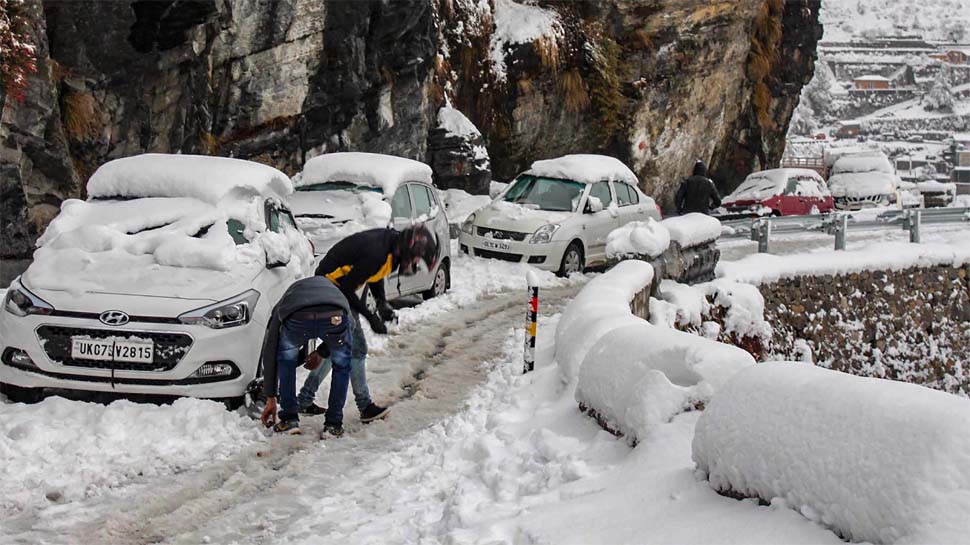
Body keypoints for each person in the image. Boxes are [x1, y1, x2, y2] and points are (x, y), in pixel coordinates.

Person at [296, 224, 440, 423]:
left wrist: (382, 304)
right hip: (329, 286)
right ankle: (365, 407)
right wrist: (371, 318)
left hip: (337, 286)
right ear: (409, 250)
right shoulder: (378, 252)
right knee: (357, 348)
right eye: (417, 260)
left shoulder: (391, 246)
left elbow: (375, 275)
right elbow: (348, 288)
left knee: (340, 346)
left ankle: (304, 398)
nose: (415, 265)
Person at [259, 276, 355, 437]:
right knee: (342, 367)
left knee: (286, 362)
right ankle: (333, 424)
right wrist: (322, 352)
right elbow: (349, 327)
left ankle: (289, 419)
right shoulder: (335, 294)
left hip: (298, 318)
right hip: (335, 315)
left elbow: (271, 351)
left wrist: (270, 396)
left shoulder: (286, 301)